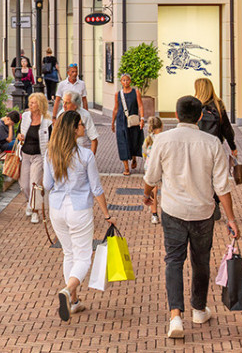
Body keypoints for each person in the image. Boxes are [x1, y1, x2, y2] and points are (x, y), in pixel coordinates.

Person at [143, 96, 239, 340]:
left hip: (173, 211)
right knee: (201, 261)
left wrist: (146, 195)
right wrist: (231, 219)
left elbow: (150, 177)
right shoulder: (212, 143)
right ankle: (198, 309)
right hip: (202, 212)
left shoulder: (163, 140)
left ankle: (175, 316)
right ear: (200, 116)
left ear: (176, 115)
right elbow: (222, 186)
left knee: (174, 261)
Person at [44, 110, 112, 322]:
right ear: (74, 130)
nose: (83, 127)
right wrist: (107, 214)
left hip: (57, 209)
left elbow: (47, 184)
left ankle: (73, 301)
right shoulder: (85, 155)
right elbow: (96, 188)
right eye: (80, 124)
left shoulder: (51, 153)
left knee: (69, 253)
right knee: (83, 257)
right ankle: (67, 290)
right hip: (79, 210)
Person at [16, 93, 52, 225]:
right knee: (24, 185)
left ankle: (35, 211)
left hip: (38, 156)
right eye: (30, 102)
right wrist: (19, 136)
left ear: (40, 105)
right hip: (25, 155)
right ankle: (30, 202)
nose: (30, 105)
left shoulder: (47, 122)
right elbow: (18, 132)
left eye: (33, 103)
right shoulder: (25, 117)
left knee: (35, 184)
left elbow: (51, 139)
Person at [111, 73, 146, 176]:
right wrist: (113, 122)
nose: (125, 82)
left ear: (130, 81)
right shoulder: (118, 94)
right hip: (121, 121)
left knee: (134, 141)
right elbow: (116, 108)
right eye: (123, 80)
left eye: (127, 80)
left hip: (133, 120)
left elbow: (140, 106)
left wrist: (142, 118)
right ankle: (126, 167)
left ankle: (134, 158)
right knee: (122, 142)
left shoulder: (136, 92)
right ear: (121, 82)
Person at [194, 78, 237, 157]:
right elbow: (226, 128)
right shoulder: (218, 104)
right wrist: (233, 147)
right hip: (215, 145)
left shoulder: (195, 105)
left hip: (198, 146)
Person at [144, 116, 165, 224]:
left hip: (150, 165)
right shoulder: (164, 138)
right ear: (161, 125)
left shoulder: (148, 139)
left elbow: (144, 152)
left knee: (154, 190)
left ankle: (154, 215)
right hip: (163, 165)